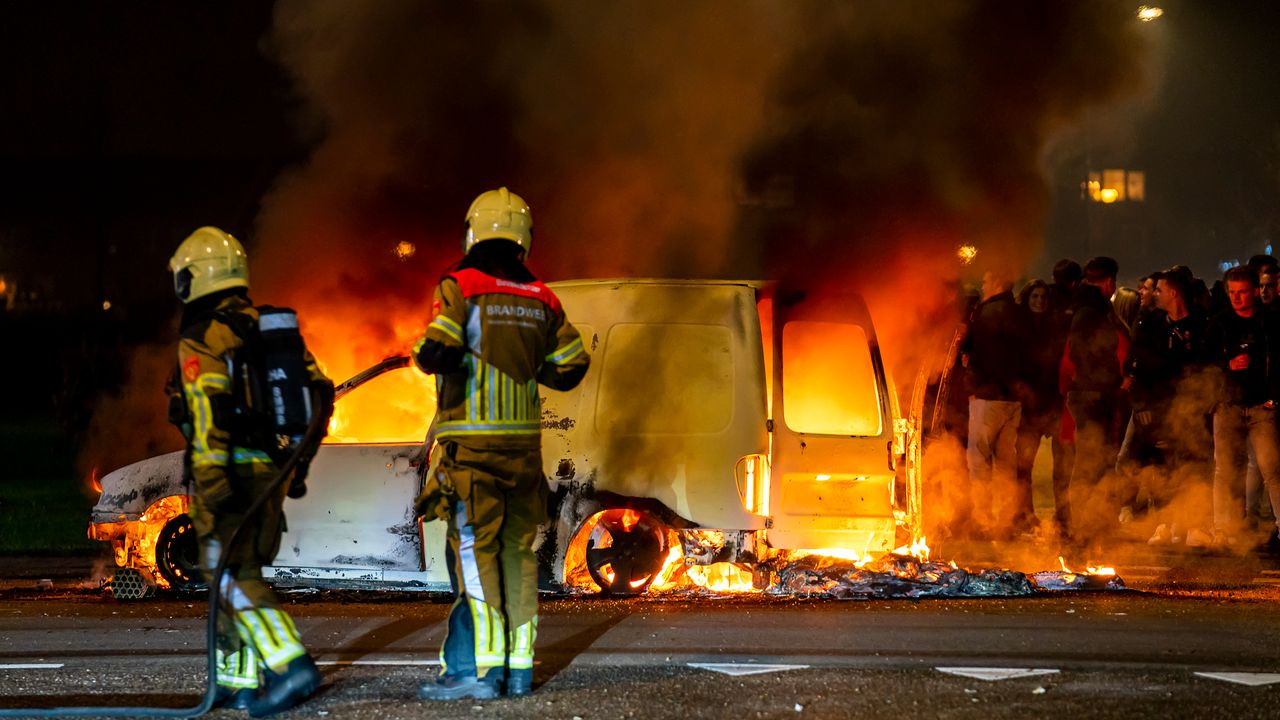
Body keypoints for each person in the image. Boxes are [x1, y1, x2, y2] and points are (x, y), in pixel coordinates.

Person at [413, 188, 590, 700]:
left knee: (473, 554)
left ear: (473, 231)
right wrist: (528, 365)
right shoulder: (544, 297)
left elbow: (440, 348)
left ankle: (482, 674)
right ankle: (518, 670)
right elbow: (572, 365)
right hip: (522, 450)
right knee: (517, 555)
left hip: (471, 448)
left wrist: (426, 354)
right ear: (523, 239)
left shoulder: (460, 285)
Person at [168, 226, 333, 716]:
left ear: (195, 279)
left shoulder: (204, 337)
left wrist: (213, 482)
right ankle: (238, 683)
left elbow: (208, 411)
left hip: (229, 476)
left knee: (228, 578)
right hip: (271, 474)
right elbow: (319, 395)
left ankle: (290, 665)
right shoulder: (270, 330)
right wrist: (297, 465)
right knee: (240, 571)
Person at [1202, 266, 1280, 549]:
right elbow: (1204, 363)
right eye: (1232, 293)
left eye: (1242, 292)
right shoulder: (1221, 324)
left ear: (1256, 292)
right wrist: (1228, 366)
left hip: (1262, 408)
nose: (1236, 298)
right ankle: (1225, 529)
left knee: (1272, 468)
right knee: (1225, 470)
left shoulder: (1271, 322)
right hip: (1228, 406)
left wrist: (1274, 397)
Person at [1060, 256, 1129, 546]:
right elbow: (1082, 353)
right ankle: (1082, 526)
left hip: (1094, 392)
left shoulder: (1092, 309)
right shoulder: (1091, 311)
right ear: (1109, 281)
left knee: (1096, 459)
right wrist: (1109, 379)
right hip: (1091, 393)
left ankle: (1094, 523)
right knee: (1089, 461)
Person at [962, 269, 1029, 538]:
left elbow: (981, 353)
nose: (984, 282)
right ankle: (1006, 521)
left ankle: (982, 520)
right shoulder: (1020, 313)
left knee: (978, 459)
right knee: (1005, 463)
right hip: (1013, 399)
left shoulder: (987, 313)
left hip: (988, 397)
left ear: (999, 282)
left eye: (987, 279)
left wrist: (973, 385)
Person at [1014, 279, 1065, 535]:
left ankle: (1060, 515)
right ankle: (1025, 512)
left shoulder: (1054, 327)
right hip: (1028, 403)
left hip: (1050, 400)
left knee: (1060, 462)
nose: (1040, 301)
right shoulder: (1021, 328)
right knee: (1025, 463)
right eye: (1035, 296)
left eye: (1043, 296)